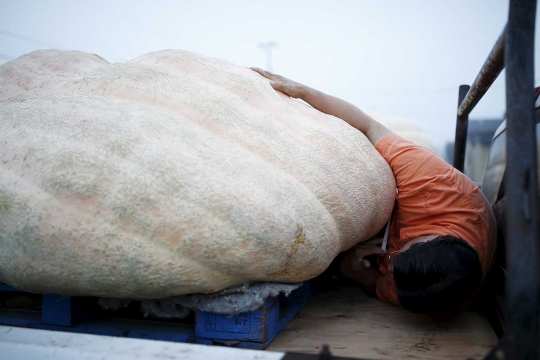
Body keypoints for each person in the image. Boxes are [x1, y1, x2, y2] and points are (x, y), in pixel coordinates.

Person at [251, 67, 497, 313]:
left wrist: (352, 269)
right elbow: (369, 126)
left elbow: (376, 285)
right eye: (396, 256)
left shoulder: (436, 296)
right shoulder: (429, 182)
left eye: (390, 266)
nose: (388, 263)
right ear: (435, 236)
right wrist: (303, 92)